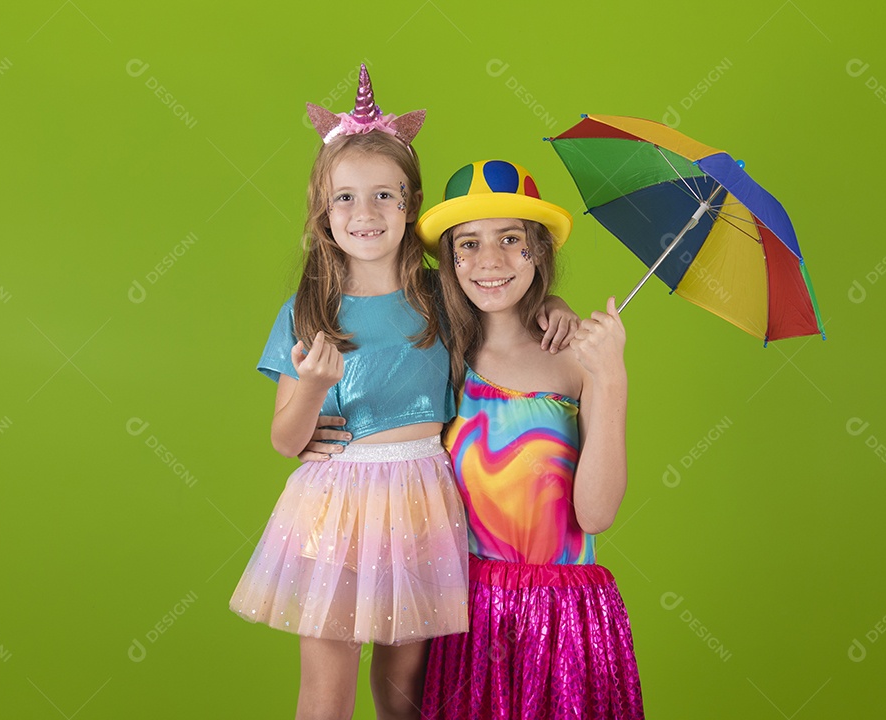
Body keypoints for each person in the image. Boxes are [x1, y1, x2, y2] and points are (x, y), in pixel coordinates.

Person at [229, 69, 576, 720]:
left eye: (384, 196)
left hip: (421, 496)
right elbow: (284, 440)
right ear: (322, 211)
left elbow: (502, 300)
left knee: (406, 685)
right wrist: (312, 387)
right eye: (346, 199)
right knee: (325, 684)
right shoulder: (307, 309)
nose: (366, 215)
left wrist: (551, 304)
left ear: (411, 204)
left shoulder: (440, 293)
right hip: (335, 502)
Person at [415, 160, 644, 719]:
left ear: (538, 251)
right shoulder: (439, 354)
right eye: (467, 243)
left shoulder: (577, 360)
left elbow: (595, 514)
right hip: (467, 607)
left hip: (564, 616)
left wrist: (610, 380)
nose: (488, 260)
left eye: (511, 239)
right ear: (448, 261)